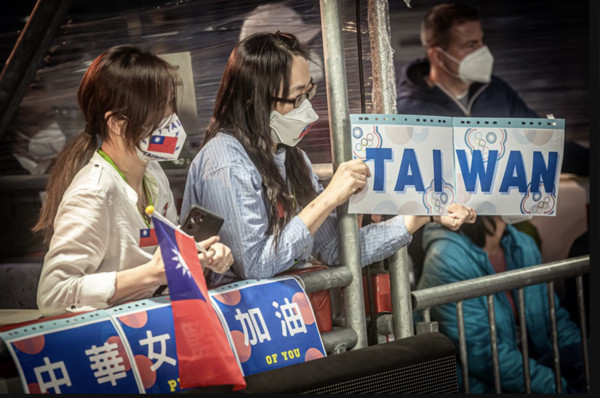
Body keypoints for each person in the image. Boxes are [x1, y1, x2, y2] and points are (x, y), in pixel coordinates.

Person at [181, 31, 476, 288]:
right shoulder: (227, 163)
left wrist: (421, 215)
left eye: (309, 91)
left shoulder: (290, 156)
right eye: (296, 99)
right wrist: (328, 199)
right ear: (255, 100)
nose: (307, 109)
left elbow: (334, 248)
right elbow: (256, 267)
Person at [34, 45, 233, 316]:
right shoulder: (93, 192)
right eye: (160, 109)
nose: (171, 119)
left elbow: (163, 260)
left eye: (170, 105)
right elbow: (53, 294)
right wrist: (149, 275)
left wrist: (203, 256)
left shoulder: (153, 173)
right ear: (116, 123)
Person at [418, 216, 585, 393]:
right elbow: (483, 354)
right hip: (481, 384)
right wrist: (556, 386)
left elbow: (555, 319)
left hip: (533, 368)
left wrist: (583, 360)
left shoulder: (523, 244)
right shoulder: (447, 257)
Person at [396, 2, 538, 118]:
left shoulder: (497, 91)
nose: (483, 51)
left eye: (482, 41)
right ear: (438, 56)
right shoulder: (406, 111)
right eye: (471, 45)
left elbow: (538, 140)